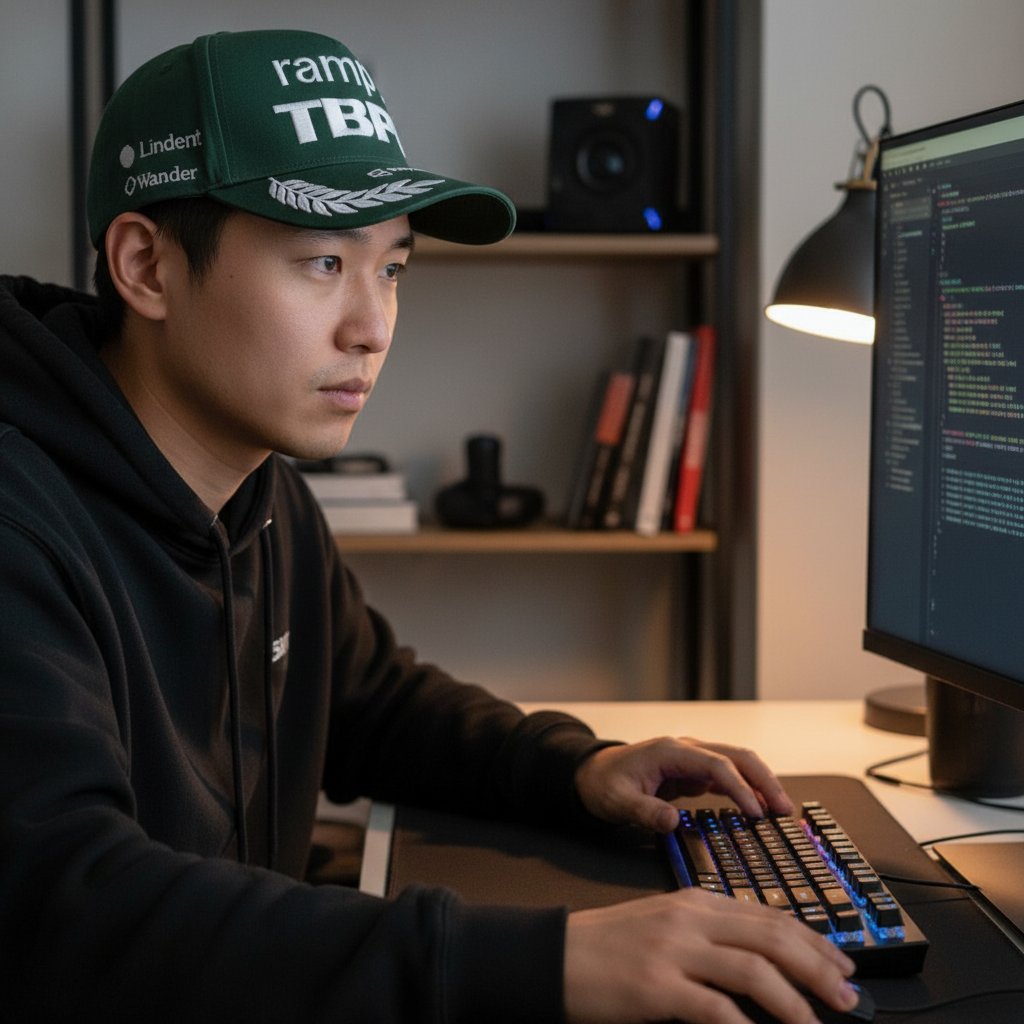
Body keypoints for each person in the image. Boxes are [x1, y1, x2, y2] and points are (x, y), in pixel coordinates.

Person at [0, 28, 859, 1024]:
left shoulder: (259, 494)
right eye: (322, 261)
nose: (372, 324)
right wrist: (547, 961)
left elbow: (370, 702)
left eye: (393, 267)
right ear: (145, 266)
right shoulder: (23, 515)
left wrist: (571, 766)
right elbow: (66, 909)